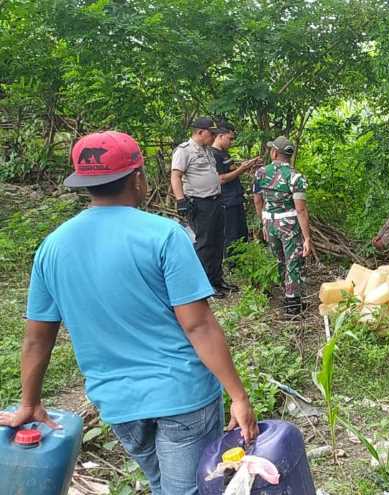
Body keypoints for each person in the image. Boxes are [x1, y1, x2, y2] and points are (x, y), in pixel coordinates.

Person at [0, 131, 258, 495]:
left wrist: (29, 403)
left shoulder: (52, 247)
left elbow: (36, 339)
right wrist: (239, 396)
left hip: (118, 403)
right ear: (138, 178)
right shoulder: (164, 235)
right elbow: (198, 325)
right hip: (183, 395)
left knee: (162, 484)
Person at [253, 136, 313, 316]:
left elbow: (257, 200)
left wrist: (263, 221)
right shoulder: (296, 177)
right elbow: (300, 210)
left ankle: (281, 292)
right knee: (292, 260)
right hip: (289, 224)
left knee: (277, 258)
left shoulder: (260, 173)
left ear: (274, 152)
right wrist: (307, 238)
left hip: (269, 221)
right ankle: (292, 303)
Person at [171, 116, 230, 298]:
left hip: (215, 201)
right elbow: (175, 176)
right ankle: (204, 285)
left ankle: (216, 280)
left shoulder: (207, 150)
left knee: (218, 241)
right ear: (199, 132)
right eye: (211, 133)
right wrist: (181, 200)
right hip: (200, 202)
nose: (213, 137)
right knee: (205, 244)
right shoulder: (184, 151)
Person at [210, 121, 262, 263]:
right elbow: (220, 179)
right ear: (220, 136)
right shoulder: (214, 155)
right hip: (226, 201)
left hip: (236, 199)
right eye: (230, 138)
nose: (231, 142)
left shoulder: (225, 154)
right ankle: (233, 265)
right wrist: (242, 169)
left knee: (241, 233)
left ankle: (242, 263)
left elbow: (233, 172)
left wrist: (250, 165)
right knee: (231, 235)